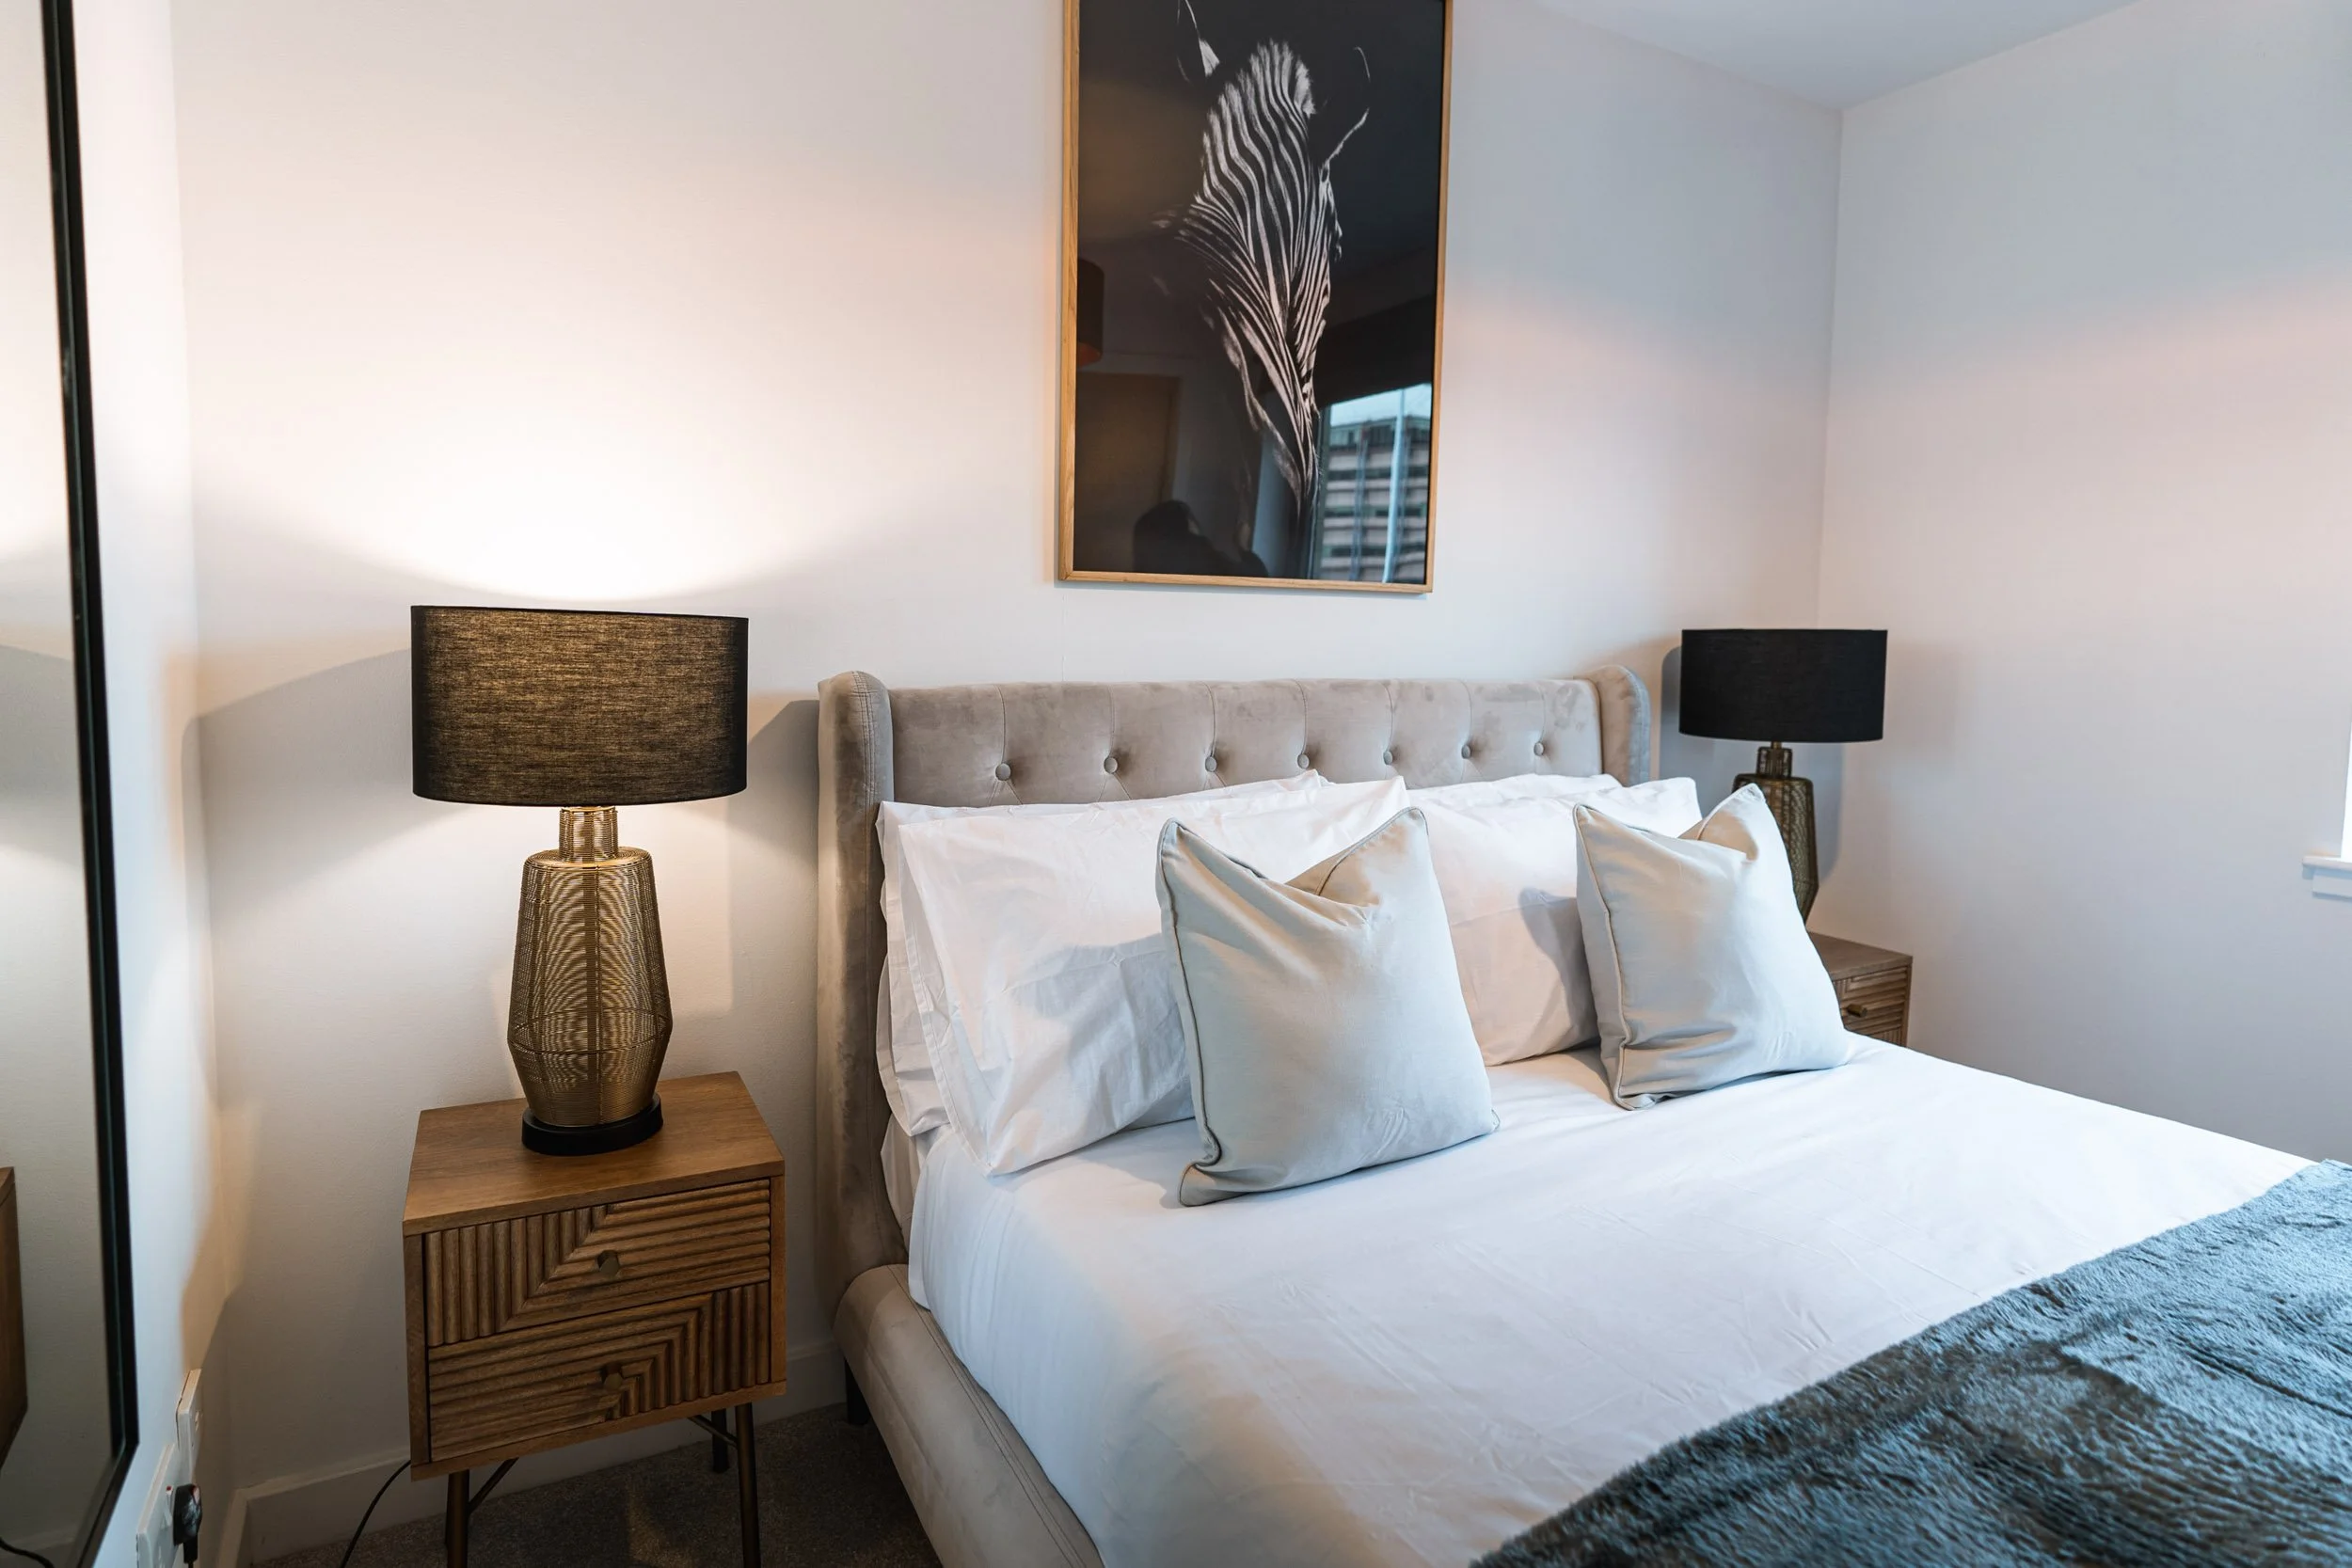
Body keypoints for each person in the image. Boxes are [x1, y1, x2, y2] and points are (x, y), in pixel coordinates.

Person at [1132, 499, 1269, 578]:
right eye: (1191, 519)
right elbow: (1256, 579)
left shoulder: (1143, 579)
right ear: (1188, 526)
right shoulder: (1201, 558)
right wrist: (1243, 547)